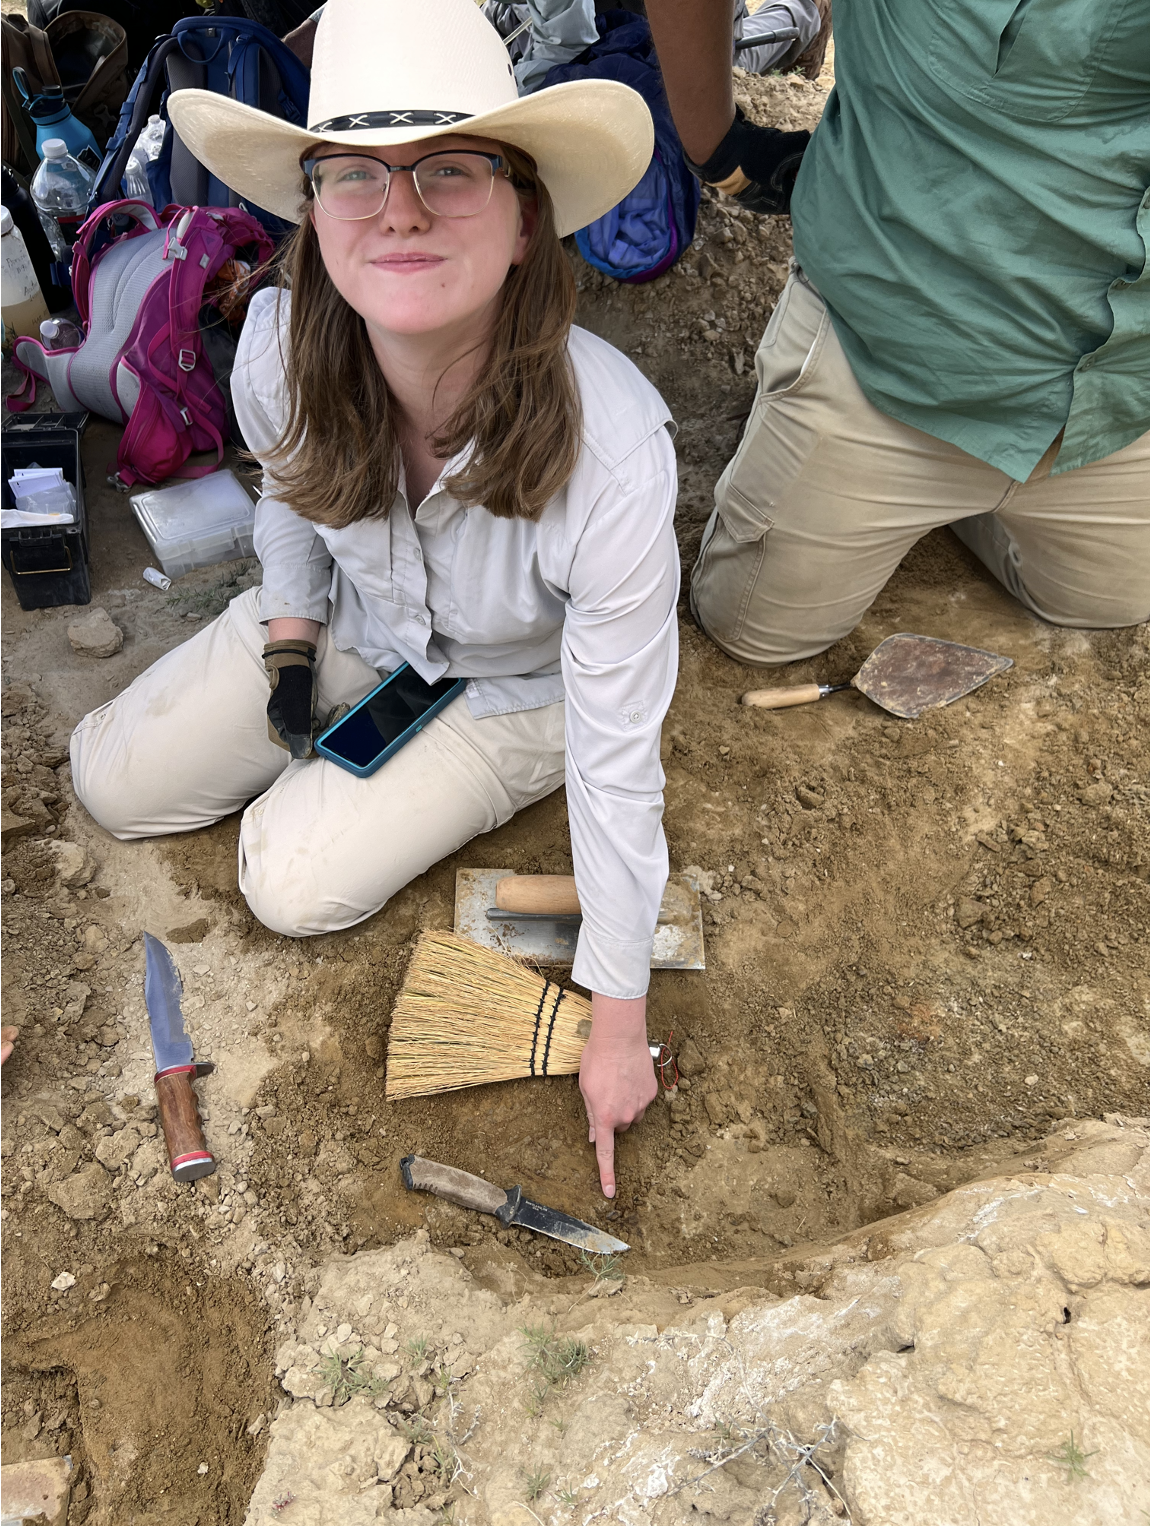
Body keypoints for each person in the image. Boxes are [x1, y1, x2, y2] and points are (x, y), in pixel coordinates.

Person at [70, 0, 680, 1199]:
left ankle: (441, 755)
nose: (398, 209)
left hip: (522, 682)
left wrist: (616, 1020)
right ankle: (335, 696)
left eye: (451, 171)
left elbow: (622, 759)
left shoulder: (614, 452)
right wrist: (291, 637)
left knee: (288, 880)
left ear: (522, 220)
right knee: (108, 778)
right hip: (357, 613)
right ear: (313, 213)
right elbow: (294, 502)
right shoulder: (280, 344)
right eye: (355, 175)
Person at [644, 0, 1150, 664]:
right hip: (881, 351)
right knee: (752, 632)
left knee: (1102, 606)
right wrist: (712, 142)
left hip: (1118, 390)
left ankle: (972, 492)